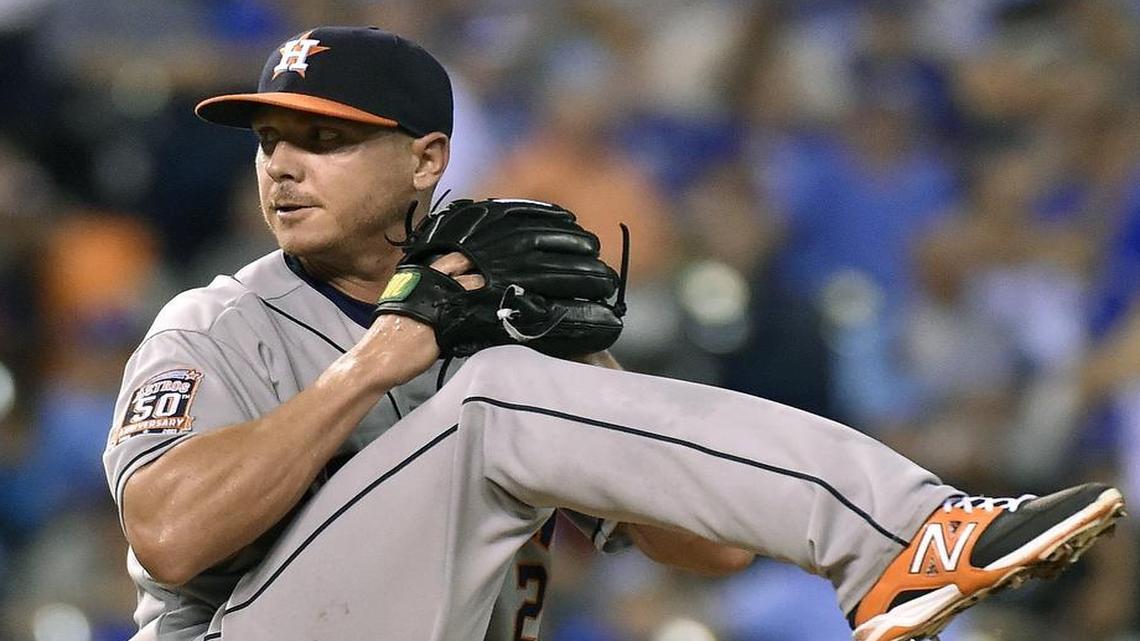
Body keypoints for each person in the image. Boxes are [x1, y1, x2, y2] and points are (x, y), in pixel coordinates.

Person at [103, 26, 1125, 641]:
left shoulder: (489, 329)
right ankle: (905, 534)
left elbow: (712, 549)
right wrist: (371, 368)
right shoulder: (217, 323)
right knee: (493, 395)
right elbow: (169, 534)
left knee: (506, 384)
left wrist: (588, 370)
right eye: (270, 141)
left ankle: (904, 542)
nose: (282, 166)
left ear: (426, 160)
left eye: (323, 139)